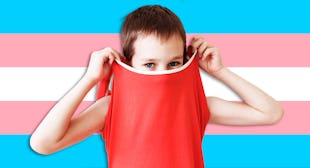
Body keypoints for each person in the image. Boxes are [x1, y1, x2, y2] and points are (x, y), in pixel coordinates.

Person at [30, 5, 284, 167]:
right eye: (150, 64)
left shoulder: (197, 105)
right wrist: (90, 79)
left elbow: (270, 113)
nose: (162, 74)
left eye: (173, 63)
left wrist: (220, 72)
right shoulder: (110, 108)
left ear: (185, 59)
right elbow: (43, 143)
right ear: (128, 62)